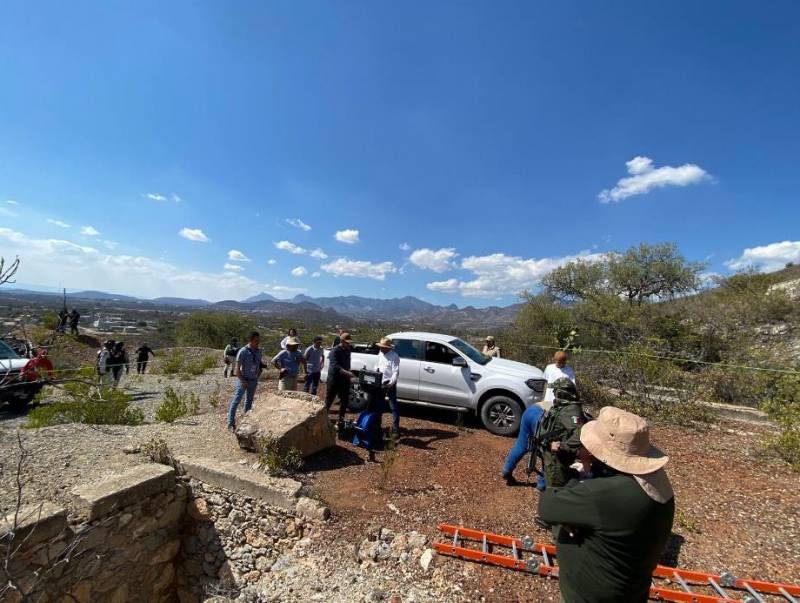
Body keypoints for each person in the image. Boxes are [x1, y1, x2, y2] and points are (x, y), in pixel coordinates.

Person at [537, 406, 675, 603]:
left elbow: (547, 505)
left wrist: (583, 470)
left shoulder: (601, 495)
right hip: (632, 591)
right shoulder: (659, 484)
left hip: (588, 596)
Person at [540, 378, 587, 489]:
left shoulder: (571, 411)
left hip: (558, 459)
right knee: (551, 481)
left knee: (556, 489)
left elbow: (580, 434)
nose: (553, 393)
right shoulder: (561, 406)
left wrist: (562, 446)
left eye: (555, 390)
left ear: (562, 393)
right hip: (550, 455)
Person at [227, 331, 267, 431]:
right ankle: (231, 424)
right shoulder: (243, 351)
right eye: (256, 340)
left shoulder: (259, 351)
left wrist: (257, 376)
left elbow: (258, 364)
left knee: (249, 401)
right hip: (243, 379)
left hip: (253, 380)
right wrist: (242, 380)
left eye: (259, 340)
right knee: (236, 401)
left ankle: (246, 423)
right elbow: (237, 369)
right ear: (250, 340)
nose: (258, 342)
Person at [501, 403, 545, 487]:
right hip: (542, 419)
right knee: (548, 455)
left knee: (521, 445)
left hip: (532, 409)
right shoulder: (573, 414)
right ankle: (542, 484)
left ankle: (506, 470)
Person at [325, 332, 354, 428]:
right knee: (329, 400)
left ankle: (340, 420)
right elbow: (335, 366)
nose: (348, 344)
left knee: (345, 401)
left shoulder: (348, 350)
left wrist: (348, 373)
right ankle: (322, 418)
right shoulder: (335, 351)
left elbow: (348, 363)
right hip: (334, 379)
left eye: (349, 342)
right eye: (347, 342)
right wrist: (347, 373)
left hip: (344, 380)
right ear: (342, 341)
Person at [375, 336, 401, 436]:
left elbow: (396, 372)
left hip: (389, 383)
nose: (381, 348)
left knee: (393, 406)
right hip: (380, 383)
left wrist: (390, 384)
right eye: (380, 346)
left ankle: (395, 429)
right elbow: (378, 365)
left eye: (382, 347)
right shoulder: (380, 353)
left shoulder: (394, 356)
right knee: (379, 406)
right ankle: (377, 425)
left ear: (388, 347)